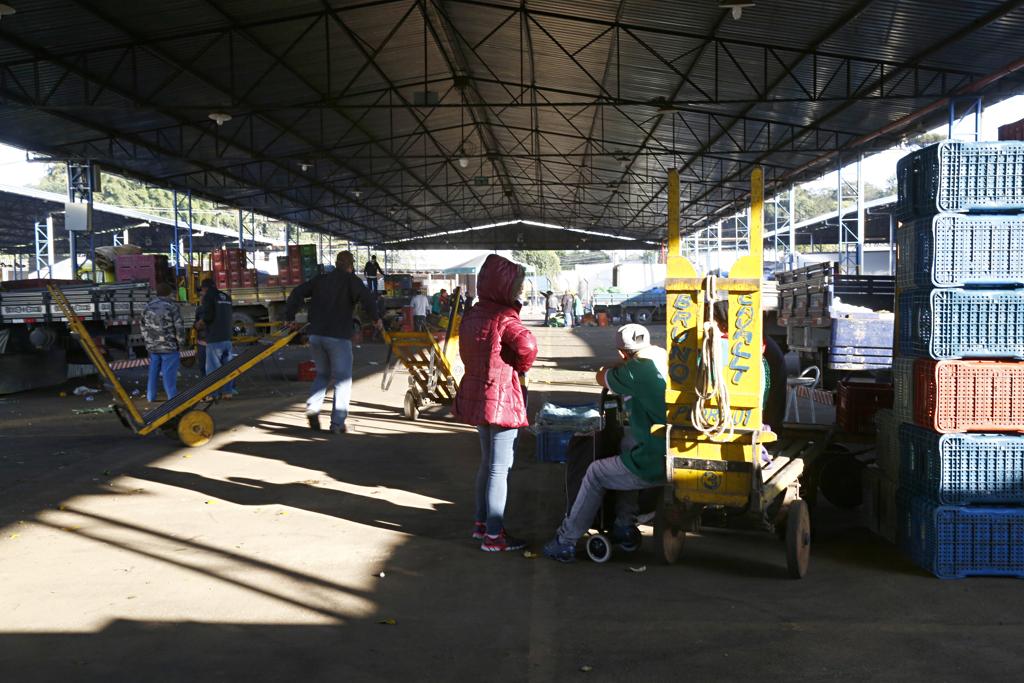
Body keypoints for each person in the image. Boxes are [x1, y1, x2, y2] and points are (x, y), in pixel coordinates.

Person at [543, 324, 667, 562]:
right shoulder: (662, 357)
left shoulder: (633, 371)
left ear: (621, 353)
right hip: (672, 442)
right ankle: (623, 525)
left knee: (595, 473)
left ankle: (566, 540)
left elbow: (601, 377)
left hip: (655, 457)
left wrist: (616, 366)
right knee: (627, 444)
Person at [453, 254, 538, 552]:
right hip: (501, 398)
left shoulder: (473, 314)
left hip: (478, 394)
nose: (519, 291)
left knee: (487, 464)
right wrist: (519, 364)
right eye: (516, 285)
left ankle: (481, 525)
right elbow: (527, 345)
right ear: (504, 286)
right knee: (499, 469)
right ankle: (493, 537)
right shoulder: (504, 317)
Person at [286, 250, 383, 434]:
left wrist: (289, 316)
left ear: (336, 263)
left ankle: (313, 407)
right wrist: (376, 318)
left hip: (315, 336)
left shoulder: (320, 279)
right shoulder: (351, 280)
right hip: (337, 337)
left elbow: (297, 292)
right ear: (350, 265)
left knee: (322, 375)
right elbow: (367, 298)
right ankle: (337, 424)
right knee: (342, 380)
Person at [142, 282, 186, 403]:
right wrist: (181, 342)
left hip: (153, 346)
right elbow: (179, 327)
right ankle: (172, 397)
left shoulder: (147, 306)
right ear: (169, 293)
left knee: (153, 371)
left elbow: (143, 326)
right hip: (169, 346)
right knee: (169, 372)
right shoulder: (171, 306)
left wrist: (148, 342)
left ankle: (151, 396)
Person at [195, 277, 238, 398]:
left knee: (212, 370)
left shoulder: (209, 296)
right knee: (227, 368)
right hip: (227, 337)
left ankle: (212, 394)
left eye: (201, 291)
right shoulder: (226, 297)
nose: (201, 294)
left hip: (215, 338)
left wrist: (199, 324)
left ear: (204, 288)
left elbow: (208, 316)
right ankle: (227, 392)